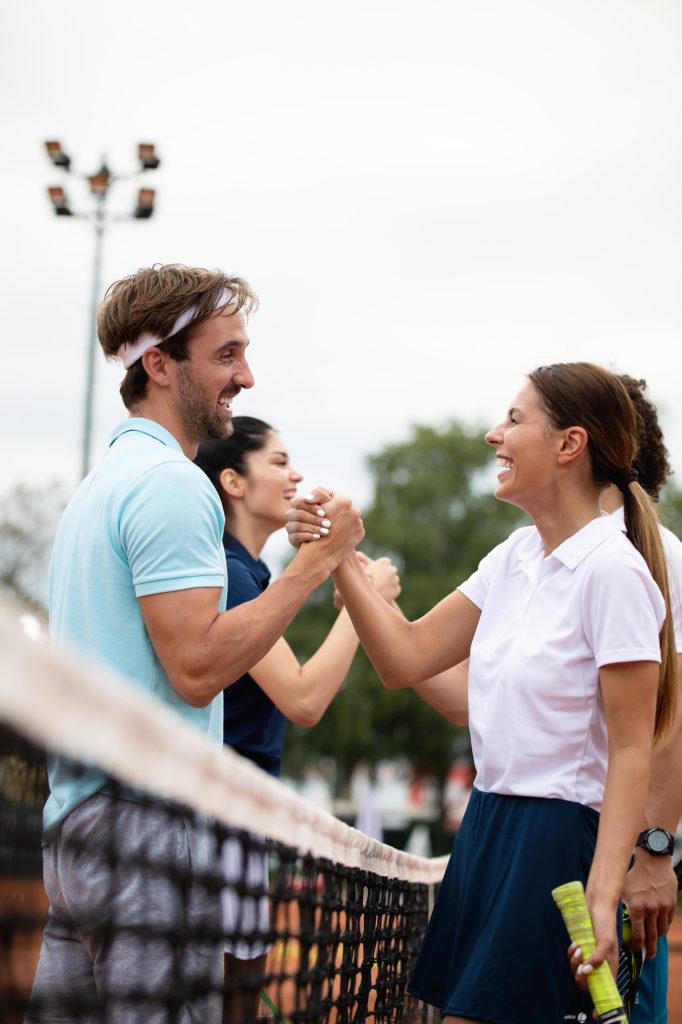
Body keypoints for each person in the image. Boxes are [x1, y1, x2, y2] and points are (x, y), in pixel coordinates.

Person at [286, 362, 677, 1024]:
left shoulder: (615, 571)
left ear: (569, 445)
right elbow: (404, 658)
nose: (496, 435)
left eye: (516, 420)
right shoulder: (512, 558)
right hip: (488, 823)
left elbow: (635, 749)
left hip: (557, 840)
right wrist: (340, 557)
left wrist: (607, 890)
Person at [28, 264, 364, 1024]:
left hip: (78, 824)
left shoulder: (100, 485)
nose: (245, 376)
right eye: (226, 355)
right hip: (149, 824)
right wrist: (314, 565)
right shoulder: (174, 484)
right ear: (159, 364)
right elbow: (197, 667)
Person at [193, 416, 400, 1022]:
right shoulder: (229, 574)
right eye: (279, 462)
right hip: (220, 812)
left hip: (242, 810)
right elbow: (304, 699)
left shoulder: (249, 572)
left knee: (239, 985)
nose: (297, 473)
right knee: (231, 990)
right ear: (233, 481)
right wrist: (365, 606)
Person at [600, 375, 682, 1024]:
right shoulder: (540, 555)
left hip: (624, 854)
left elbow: (673, 719)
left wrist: (655, 852)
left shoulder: (661, 558)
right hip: (560, 840)